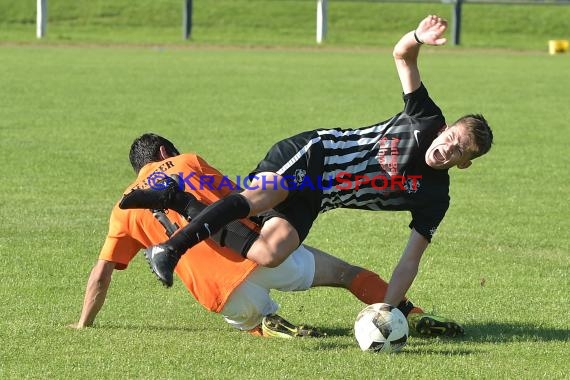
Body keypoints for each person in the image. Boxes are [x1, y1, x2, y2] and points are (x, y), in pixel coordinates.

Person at [132, 15, 493, 314]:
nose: (447, 149)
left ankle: (180, 200)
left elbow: (409, 260)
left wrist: (387, 308)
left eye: (459, 152)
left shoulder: (435, 198)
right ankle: (173, 248)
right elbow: (403, 56)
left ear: (464, 164)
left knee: (269, 252)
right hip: (314, 152)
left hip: (318, 198)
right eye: (451, 139)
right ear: (444, 130)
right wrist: (418, 36)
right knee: (263, 197)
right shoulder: (425, 117)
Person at [69, 133, 464, 337]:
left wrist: (83, 324)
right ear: (162, 151)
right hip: (257, 252)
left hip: (220, 293)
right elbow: (240, 200)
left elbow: (101, 275)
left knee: (245, 315)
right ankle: (411, 313)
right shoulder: (186, 162)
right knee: (346, 274)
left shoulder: (122, 210)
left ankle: (264, 323)